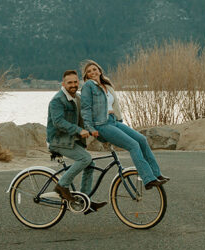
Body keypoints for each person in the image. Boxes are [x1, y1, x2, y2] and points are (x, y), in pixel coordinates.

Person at [79, 59, 169, 190]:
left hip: (114, 121)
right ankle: (148, 179)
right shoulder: (88, 86)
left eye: (94, 69)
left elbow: (114, 105)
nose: (92, 72)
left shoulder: (107, 86)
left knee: (141, 140)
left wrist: (119, 120)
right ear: (86, 76)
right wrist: (90, 128)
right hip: (102, 125)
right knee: (133, 145)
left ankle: (156, 174)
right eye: (89, 71)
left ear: (99, 70)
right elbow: (85, 109)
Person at [46, 70, 106, 213]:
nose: (73, 85)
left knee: (90, 164)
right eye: (69, 82)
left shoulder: (77, 98)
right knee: (85, 158)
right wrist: (79, 131)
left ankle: (84, 200)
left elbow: (86, 116)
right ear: (63, 84)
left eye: (75, 82)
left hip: (71, 140)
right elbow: (59, 122)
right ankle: (62, 185)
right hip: (58, 141)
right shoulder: (57, 100)